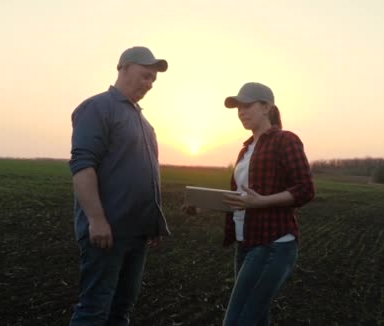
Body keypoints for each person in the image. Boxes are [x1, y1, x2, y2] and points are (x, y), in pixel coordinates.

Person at [185, 82, 315, 325]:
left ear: (267, 107)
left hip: (273, 244)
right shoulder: (245, 151)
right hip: (245, 244)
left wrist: (262, 202)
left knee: (237, 320)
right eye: (238, 108)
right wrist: (203, 206)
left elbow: (305, 189)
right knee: (255, 319)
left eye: (247, 106)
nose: (241, 112)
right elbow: (241, 199)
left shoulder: (285, 140)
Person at [68, 46, 170, 326]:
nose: (149, 84)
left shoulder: (145, 124)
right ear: (123, 68)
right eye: (144, 75)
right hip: (108, 232)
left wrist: (154, 223)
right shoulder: (97, 107)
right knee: (94, 309)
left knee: (121, 310)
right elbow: (82, 166)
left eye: (153, 80)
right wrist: (96, 219)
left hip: (138, 234)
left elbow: (148, 175)